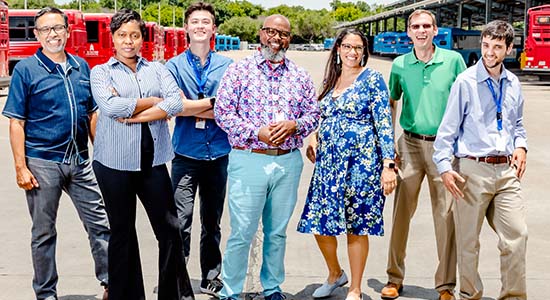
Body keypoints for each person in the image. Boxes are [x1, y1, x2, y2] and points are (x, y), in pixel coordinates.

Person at [89, 9, 207, 300]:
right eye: (122, 35)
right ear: (112, 38)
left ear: (142, 38)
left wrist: (137, 114)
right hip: (114, 164)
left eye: (134, 35)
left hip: (152, 163)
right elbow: (110, 108)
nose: (128, 41)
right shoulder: (101, 72)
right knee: (122, 233)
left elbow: (175, 104)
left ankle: (171, 295)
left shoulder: (157, 68)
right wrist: (152, 102)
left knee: (170, 230)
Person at [2, 7, 110, 300]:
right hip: (42, 164)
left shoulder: (80, 67)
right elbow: (16, 122)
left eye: (58, 28)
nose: (53, 34)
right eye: (46, 29)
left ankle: (111, 283)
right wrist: (20, 167)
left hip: (80, 162)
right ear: (37, 35)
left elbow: (91, 115)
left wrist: (99, 154)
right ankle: (46, 293)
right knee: (43, 233)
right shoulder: (26, 70)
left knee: (100, 225)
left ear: (67, 31)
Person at [214, 14, 320, 300]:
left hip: (287, 161)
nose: (276, 38)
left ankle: (272, 287)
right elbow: (222, 113)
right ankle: (231, 291)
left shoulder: (299, 75)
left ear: (290, 38)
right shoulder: (239, 71)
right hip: (249, 158)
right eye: (271, 32)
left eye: (283, 34)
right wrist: (256, 132)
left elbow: (314, 114)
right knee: (242, 232)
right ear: (261, 34)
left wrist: (294, 125)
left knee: (277, 233)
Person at [297, 28, 396, 300]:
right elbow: (322, 117)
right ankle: (334, 273)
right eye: (347, 46)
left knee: (356, 225)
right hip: (328, 165)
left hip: (362, 163)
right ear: (338, 48)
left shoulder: (372, 79)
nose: (352, 52)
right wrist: (314, 138)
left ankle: (355, 287)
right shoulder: (331, 80)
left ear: (364, 51)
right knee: (318, 222)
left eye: (358, 48)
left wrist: (388, 165)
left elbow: (384, 123)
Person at [433, 20, 528, 300]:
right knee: (468, 243)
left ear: (509, 49)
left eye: (497, 47)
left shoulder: (513, 83)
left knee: (517, 236)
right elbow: (447, 130)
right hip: (471, 170)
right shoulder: (465, 82)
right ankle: (470, 295)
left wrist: (521, 146)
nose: (489, 52)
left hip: (506, 171)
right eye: (486, 45)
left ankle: (512, 296)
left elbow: (518, 124)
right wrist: (445, 168)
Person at [381, 9, 466, 300]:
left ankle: (445, 285)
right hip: (410, 145)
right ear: (408, 32)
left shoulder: (454, 61)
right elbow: (392, 102)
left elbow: (465, 102)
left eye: (426, 25)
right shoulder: (400, 64)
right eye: (415, 26)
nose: (421, 30)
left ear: (435, 30)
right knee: (401, 215)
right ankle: (394, 278)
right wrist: (390, 144)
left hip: (445, 148)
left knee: (446, 217)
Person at [165, 2, 233, 296]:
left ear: (214, 29)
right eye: (195, 22)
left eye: (206, 21)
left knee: (212, 222)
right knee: (180, 220)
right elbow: (174, 106)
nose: (201, 26)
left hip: (218, 153)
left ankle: (210, 276)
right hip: (185, 155)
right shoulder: (172, 66)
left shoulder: (229, 67)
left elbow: (231, 110)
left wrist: (192, 106)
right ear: (187, 28)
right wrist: (213, 105)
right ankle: (180, 279)